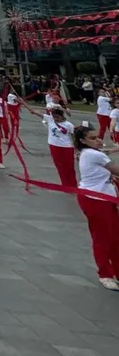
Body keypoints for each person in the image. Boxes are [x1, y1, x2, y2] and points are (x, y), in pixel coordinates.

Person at [72, 125, 119, 291]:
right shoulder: (93, 154)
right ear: (83, 141)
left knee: (115, 237)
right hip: (95, 200)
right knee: (102, 238)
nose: (99, 140)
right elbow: (116, 170)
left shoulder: (89, 152)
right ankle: (105, 274)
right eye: (93, 138)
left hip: (105, 198)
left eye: (98, 136)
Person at [45, 107, 76, 187]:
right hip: (54, 146)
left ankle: (73, 185)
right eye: (54, 117)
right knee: (60, 167)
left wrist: (76, 149)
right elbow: (33, 111)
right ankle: (65, 185)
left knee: (69, 167)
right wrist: (22, 102)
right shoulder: (50, 120)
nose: (56, 119)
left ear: (62, 116)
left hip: (67, 147)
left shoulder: (69, 125)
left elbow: (73, 137)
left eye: (58, 117)